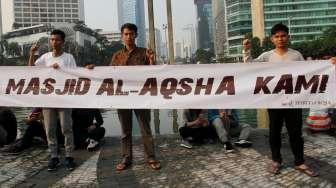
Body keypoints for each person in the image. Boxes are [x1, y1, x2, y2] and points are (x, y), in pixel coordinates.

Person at [243, 23, 319, 177]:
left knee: (295, 133)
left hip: (293, 101)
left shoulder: (296, 55)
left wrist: (329, 64)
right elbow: (249, 65)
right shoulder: (267, 56)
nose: (280, 39)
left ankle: (300, 162)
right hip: (274, 101)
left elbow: (311, 72)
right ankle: (276, 160)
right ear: (272, 39)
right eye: (277, 36)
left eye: (283, 35)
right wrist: (246, 50)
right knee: (274, 132)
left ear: (288, 37)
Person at [110, 23, 160, 171]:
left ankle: (151, 157)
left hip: (141, 97)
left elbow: (154, 75)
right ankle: (126, 158)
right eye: (126, 34)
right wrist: (92, 70)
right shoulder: (117, 56)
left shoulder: (145, 52)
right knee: (125, 130)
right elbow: (108, 74)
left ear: (136, 35)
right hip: (123, 97)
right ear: (122, 36)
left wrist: (151, 61)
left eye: (131, 34)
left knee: (145, 129)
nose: (128, 37)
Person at [28, 29, 77, 171]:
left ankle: (69, 156)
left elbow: (75, 75)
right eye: (52, 39)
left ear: (63, 41)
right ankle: (54, 157)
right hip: (48, 98)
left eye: (57, 40)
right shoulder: (45, 57)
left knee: (66, 128)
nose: (54, 42)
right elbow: (31, 70)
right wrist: (32, 54)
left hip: (64, 99)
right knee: (49, 129)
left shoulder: (68, 58)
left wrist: (60, 70)